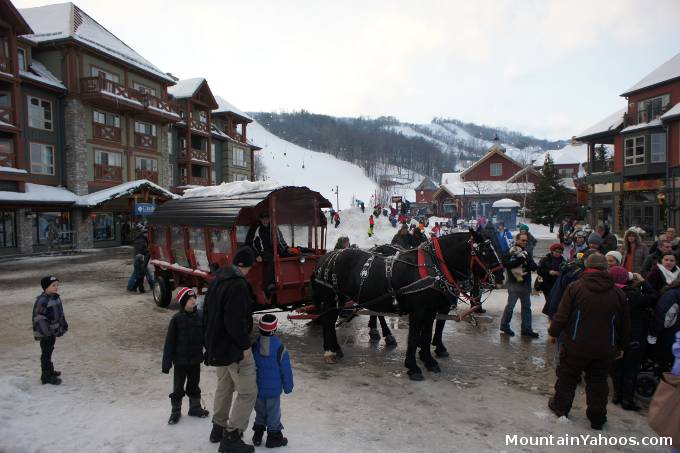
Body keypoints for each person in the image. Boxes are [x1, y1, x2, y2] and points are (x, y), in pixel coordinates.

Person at [547, 253, 630, 430]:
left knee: (567, 377)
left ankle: (561, 407)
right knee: (598, 382)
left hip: (576, 345)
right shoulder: (617, 292)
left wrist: (553, 332)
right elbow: (624, 323)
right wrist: (621, 346)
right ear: (605, 269)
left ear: (587, 267)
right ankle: (597, 418)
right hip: (605, 348)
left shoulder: (575, 287)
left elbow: (562, 315)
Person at [204, 247, 258, 453]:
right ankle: (232, 437)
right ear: (247, 265)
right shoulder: (238, 285)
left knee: (224, 386)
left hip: (217, 346)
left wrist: (208, 344)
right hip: (233, 348)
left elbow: (207, 314)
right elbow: (234, 321)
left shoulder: (217, 279)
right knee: (248, 392)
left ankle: (218, 428)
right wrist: (244, 346)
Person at [608, 266, 656, 411]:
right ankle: (627, 400)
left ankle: (616, 395)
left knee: (616, 368)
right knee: (631, 369)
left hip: (614, 337)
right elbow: (653, 296)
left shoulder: (609, 293)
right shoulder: (633, 295)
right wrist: (643, 281)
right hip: (634, 337)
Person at [162, 287, 210, 424]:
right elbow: (169, 343)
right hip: (180, 361)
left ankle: (195, 407)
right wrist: (166, 363)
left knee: (194, 385)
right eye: (189, 299)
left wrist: (209, 352)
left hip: (195, 359)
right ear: (183, 302)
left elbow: (206, 337)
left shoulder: (200, 316)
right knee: (178, 387)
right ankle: (175, 411)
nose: (193, 301)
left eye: (194, 297)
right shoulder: (176, 319)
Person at [250, 314, 293, 448]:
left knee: (260, 412)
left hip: (258, 389)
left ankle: (257, 436)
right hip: (273, 391)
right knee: (273, 414)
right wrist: (288, 386)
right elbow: (285, 370)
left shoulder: (255, 346)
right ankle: (273, 439)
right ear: (274, 330)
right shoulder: (280, 348)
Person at [500, 233, 539, 337]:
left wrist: (530, 265)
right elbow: (506, 264)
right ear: (517, 240)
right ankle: (504, 326)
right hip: (514, 285)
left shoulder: (527, 252)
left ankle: (526, 329)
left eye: (526, 240)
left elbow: (533, 265)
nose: (525, 242)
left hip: (525, 284)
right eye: (522, 240)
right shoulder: (510, 251)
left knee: (526, 307)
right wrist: (520, 260)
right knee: (510, 307)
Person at [32, 276, 68, 385]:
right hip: (46, 333)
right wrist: (46, 332)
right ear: (46, 287)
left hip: (52, 331)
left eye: (57, 285)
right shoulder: (42, 300)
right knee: (46, 353)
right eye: (53, 285)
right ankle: (46, 376)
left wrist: (63, 324)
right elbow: (39, 318)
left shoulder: (55, 297)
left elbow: (60, 313)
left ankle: (50, 370)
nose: (56, 287)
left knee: (50, 350)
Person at [246, 212, 291, 296]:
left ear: (270, 219)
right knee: (271, 259)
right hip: (261, 251)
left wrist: (286, 249)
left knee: (286, 255)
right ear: (260, 219)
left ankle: (286, 280)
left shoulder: (274, 228)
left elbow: (281, 240)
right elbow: (250, 243)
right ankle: (269, 284)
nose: (265, 220)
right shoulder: (256, 228)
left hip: (273, 250)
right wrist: (257, 255)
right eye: (263, 218)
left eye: (267, 218)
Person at [537, 243, 565, 314]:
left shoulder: (563, 261)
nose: (557, 253)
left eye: (559, 252)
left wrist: (559, 273)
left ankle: (552, 315)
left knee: (555, 301)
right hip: (546, 284)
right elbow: (539, 270)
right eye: (556, 251)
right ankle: (550, 314)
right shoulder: (545, 259)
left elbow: (565, 272)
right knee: (549, 300)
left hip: (557, 284)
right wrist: (549, 272)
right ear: (552, 251)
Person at [127, 226, 154, 292]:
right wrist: (147, 251)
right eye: (146, 233)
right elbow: (141, 250)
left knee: (138, 274)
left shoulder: (142, 239)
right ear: (143, 233)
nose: (147, 235)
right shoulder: (140, 240)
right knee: (141, 274)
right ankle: (133, 287)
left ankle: (132, 287)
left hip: (140, 259)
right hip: (139, 259)